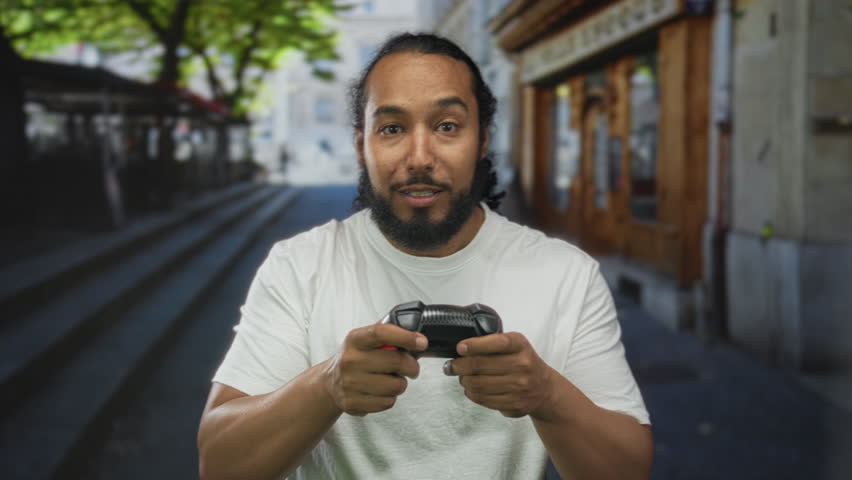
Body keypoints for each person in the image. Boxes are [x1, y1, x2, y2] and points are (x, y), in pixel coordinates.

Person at [197, 33, 652, 480]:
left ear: (483, 141)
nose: (419, 156)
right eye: (392, 128)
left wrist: (548, 395)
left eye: (447, 126)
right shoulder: (299, 265)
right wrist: (326, 386)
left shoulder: (565, 273)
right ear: (362, 145)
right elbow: (218, 465)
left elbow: (628, 469)